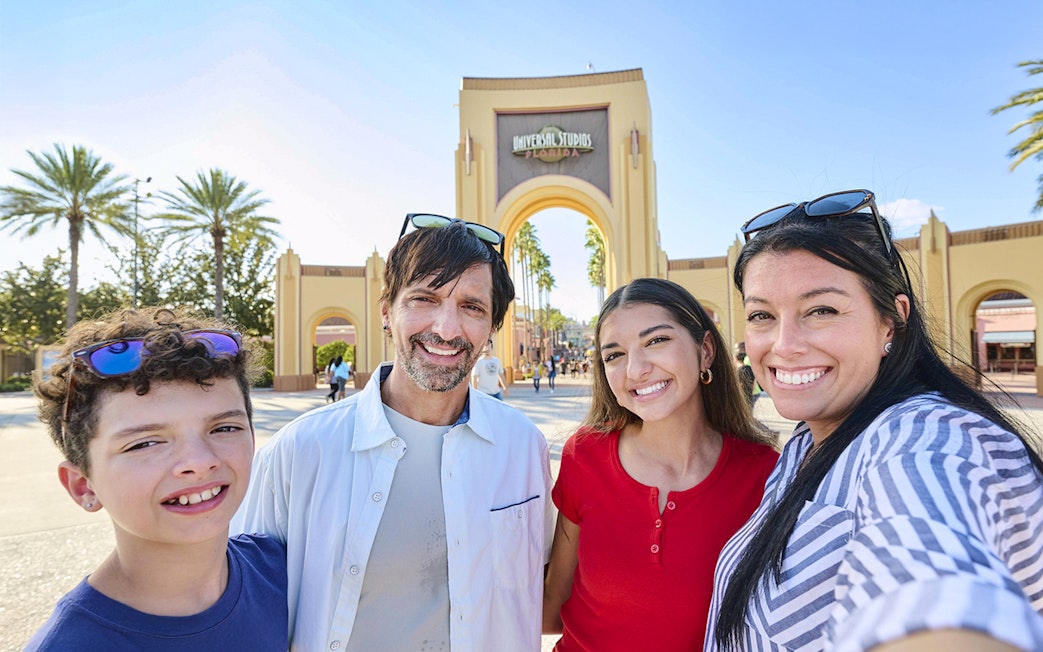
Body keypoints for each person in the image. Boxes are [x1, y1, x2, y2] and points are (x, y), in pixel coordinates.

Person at [706, 190, 1043, 651]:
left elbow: (931, 584)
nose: (783, 344)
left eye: (821, 310)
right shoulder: (806, 443)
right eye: (762, 314)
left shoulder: (922, 437)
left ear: (891, 320)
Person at [233, 214, 551, 651]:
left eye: (472, 307)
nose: (446, 328)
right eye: (424, 299)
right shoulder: (301, 450)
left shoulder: (523, 445)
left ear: (493, 327)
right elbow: (240, 608)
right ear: (386, 312)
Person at [27, 307, 288, 651]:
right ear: (83, 485)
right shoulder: (71, 645)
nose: (199, 462)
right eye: (145, 443)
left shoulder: (285, 572)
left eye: (224, 428)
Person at [543, 278, 779, 651]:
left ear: (705, 351)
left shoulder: (765, 475)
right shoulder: (584, 456)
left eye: (656, 341)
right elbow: (553, 605)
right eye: (614, 355)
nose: (635, 369)